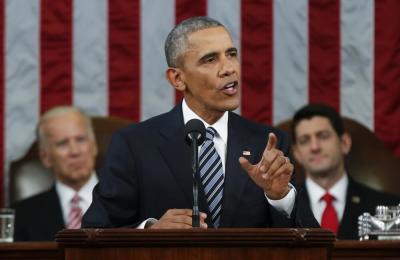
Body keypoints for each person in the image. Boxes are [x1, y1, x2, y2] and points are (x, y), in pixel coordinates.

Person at [82, 16, 318, 229]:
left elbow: (311, 244)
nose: (228, 68)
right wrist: (150, 231)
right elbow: (93, 233)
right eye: (210, 60)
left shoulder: (268, 144)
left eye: (232, 54)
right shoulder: (135, 145)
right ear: (177, 78)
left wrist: (279, 197)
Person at [291, 103, 400, 239]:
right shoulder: (284, 210)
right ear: (296, 154)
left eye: (323, 136)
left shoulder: (386, 208)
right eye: (304, 140)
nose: (314, 147)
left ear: (344, 143)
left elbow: (390, 259)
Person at [13, 106, 99, 241]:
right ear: (45, 157)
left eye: (81, 139)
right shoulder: (21, 216)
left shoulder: (129, 203)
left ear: (94, 146)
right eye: (62, 143)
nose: (75, 151)